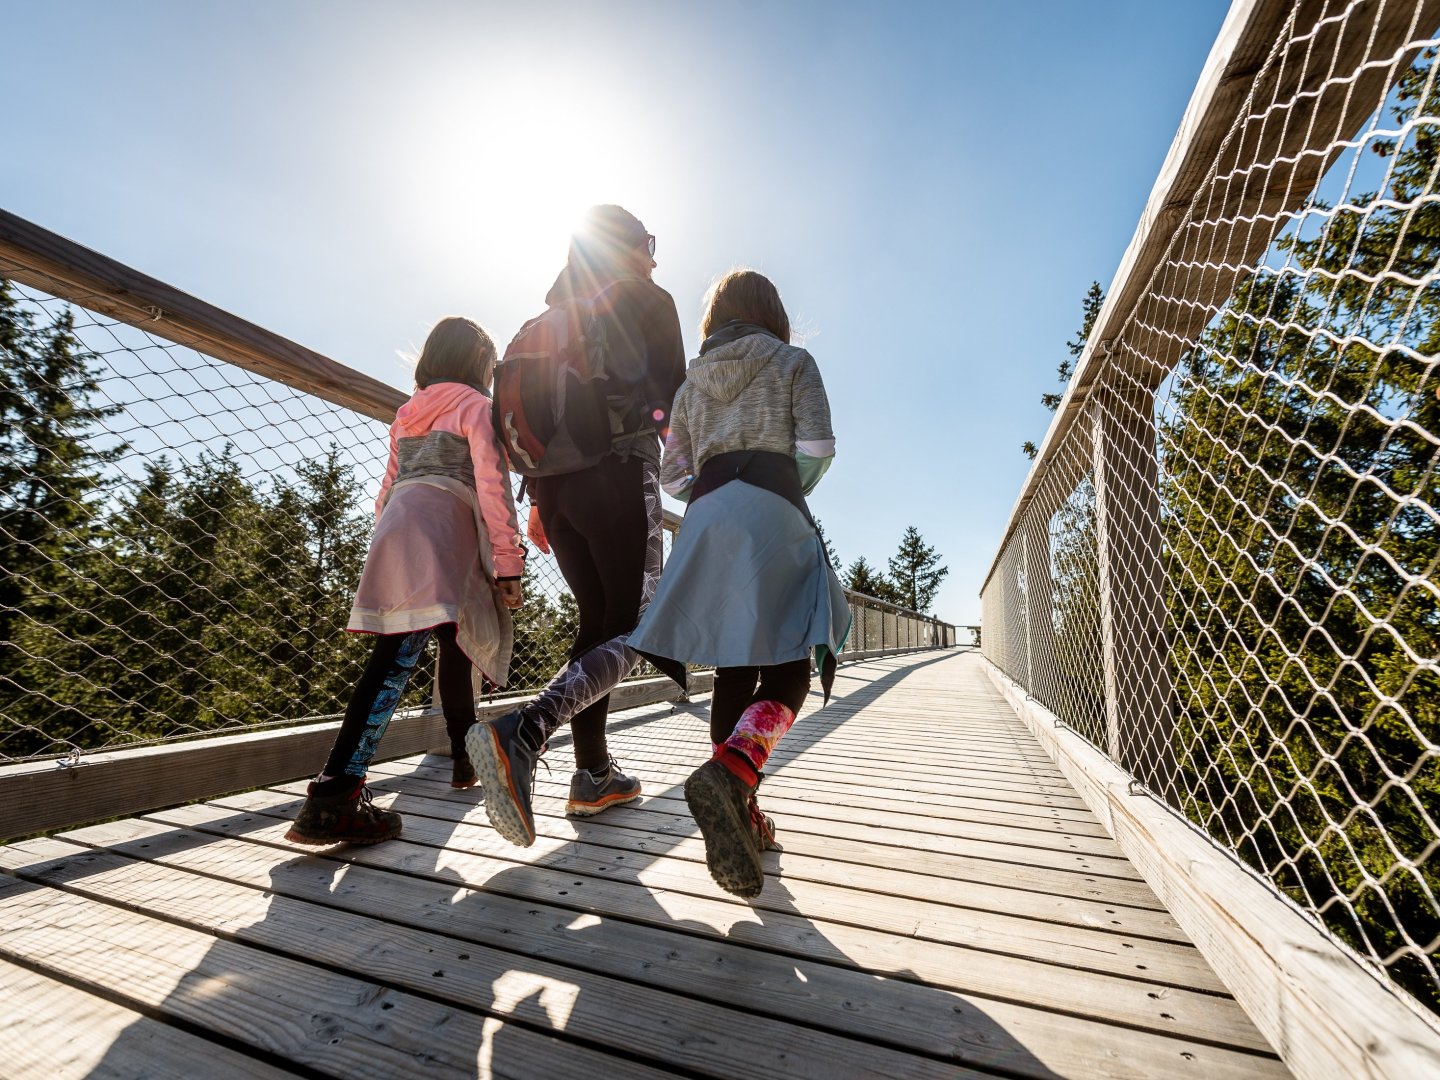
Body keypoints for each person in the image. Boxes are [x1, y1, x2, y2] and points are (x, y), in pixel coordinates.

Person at [468, 205, 686, 847]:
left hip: (553, 490)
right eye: (648, 242)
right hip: (617, 470)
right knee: (641, 622)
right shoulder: (646, 298)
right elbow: (670, 393)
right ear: (627, 247)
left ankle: (593, 775)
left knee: (598, 621)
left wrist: (541, 496)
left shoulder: (541, 321)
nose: (653, 256)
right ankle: (526, 732)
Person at [626, 269, 848, 897]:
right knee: (788, 664)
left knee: (731, 664)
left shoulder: (692, 382)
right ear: (772, 313)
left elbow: (672, 476)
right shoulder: (794, 360)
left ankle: (740, 809)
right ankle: (734, 772)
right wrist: (785, 483)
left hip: (707, 519)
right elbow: (820, 443)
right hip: (774, 510)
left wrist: (715, 493)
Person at [285, 317, 525, 846]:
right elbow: (492, 486)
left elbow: (388, 485)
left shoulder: (406, 412)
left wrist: (389, 542)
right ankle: (335, 792)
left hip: (398, 522)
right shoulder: (475, 406)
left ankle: (461, 760)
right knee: (402, 657)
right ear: (476, 365)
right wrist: (509, 564)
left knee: (435, 642)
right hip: (444, 529)